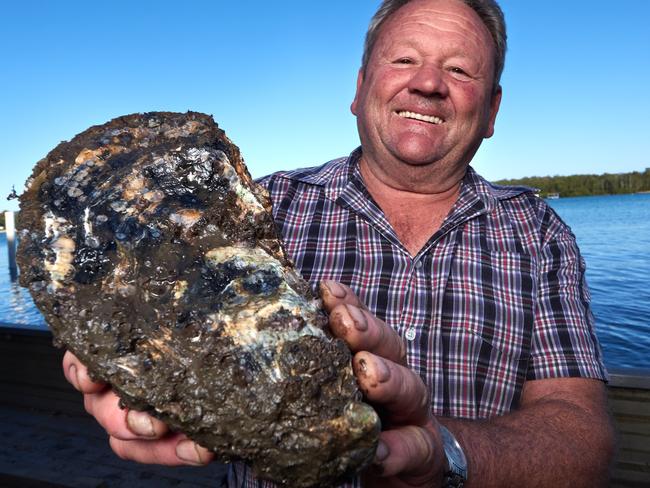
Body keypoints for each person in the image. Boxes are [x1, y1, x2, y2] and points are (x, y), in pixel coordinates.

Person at [63, 0, 616, 486]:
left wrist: (441, 452)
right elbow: (142, 297)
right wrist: (127, 361)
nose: (427, 82)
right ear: (358, 88)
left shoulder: (538, 234)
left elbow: (581, 443)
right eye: (404, 59)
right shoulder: (258, 210)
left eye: (459, 68)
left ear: (491, 110)